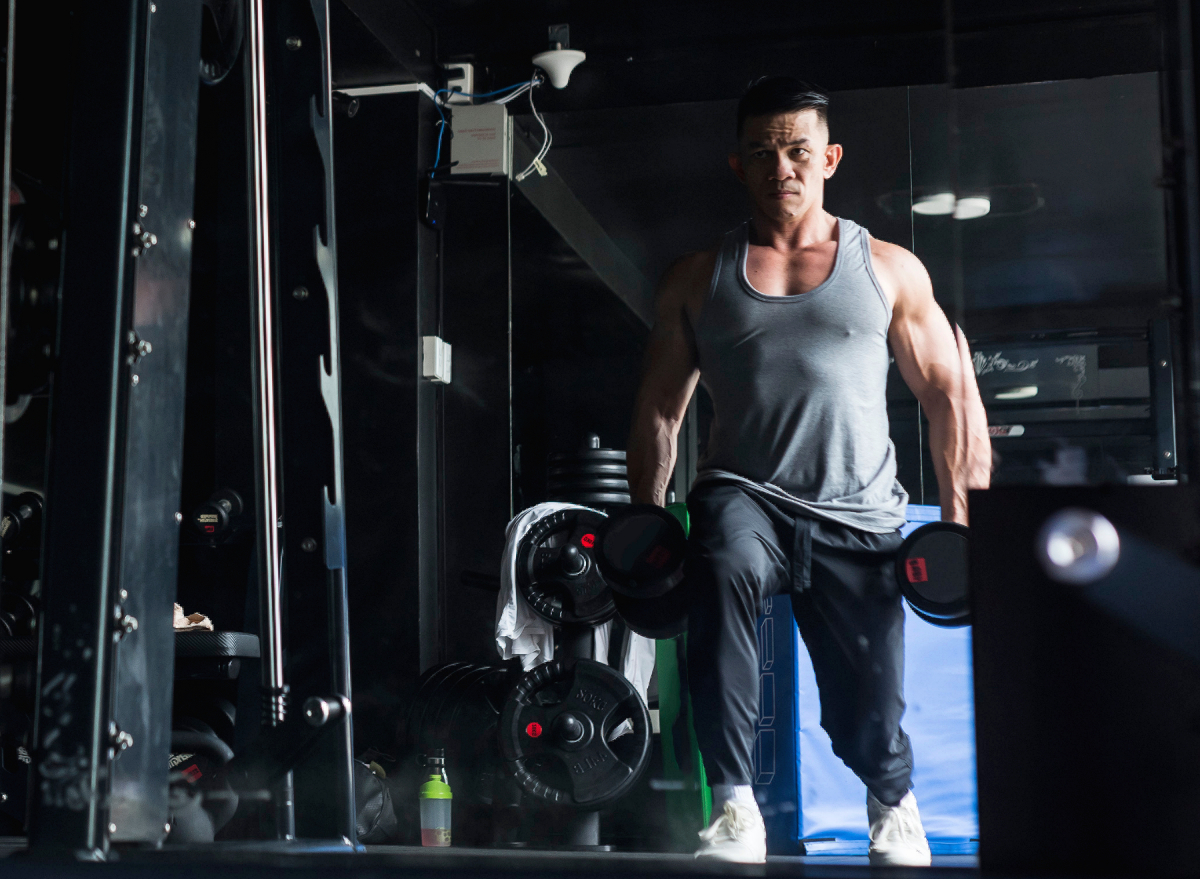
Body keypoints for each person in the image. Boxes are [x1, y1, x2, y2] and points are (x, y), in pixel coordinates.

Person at [626, 76, 991, 866]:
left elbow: (947, 395)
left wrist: (961, 519)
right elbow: (660, 408)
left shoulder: (889, 268)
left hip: (856, 508)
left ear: (828, 157)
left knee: (864, 708)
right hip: (743, 492)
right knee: (720, 565)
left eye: (796, 150)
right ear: (738, 166)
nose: (780, 166)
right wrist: (646, 519)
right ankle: (733, 807)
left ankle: (891, 798)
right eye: (761, 152)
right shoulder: (698, 277)